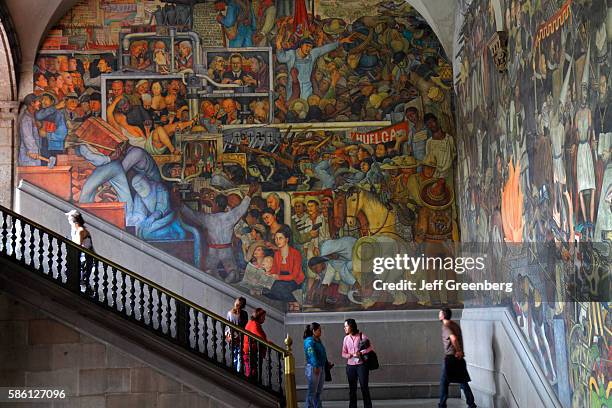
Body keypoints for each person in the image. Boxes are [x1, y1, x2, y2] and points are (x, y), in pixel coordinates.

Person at [438, 308, 477, 408]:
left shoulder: (446, 326)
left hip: (451, 358)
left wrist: (459, 350)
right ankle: (471, 404)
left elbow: (453, 338)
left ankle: (442, 405)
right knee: (463, 382)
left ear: (443, 316)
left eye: (440, 313)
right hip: (458, 359)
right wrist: (460, 352)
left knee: (444, 382)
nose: (439, 315)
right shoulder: (454, 325)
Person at [341, 318, 373, 408]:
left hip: (362, 365)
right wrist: (349, 355)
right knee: (352, 389)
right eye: (344, 327)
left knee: (364, 387)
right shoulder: (346, 338)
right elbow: (343, 353)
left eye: (346, 326)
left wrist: (361, 353)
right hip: (350, 367)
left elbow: (370, 348)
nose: (345, 328)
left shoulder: (362, 336)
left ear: (351, 326)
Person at [65, 210, 94, 290]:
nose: (69, 221)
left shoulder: (81, 231)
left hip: (85, 258)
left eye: (69, 220)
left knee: (82, 279)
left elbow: (78, 245)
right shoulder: (76, 230)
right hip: (82, 257)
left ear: (74, 221)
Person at [303, 322, 327, 408]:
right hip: (313, 368)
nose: (321, 332)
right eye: (319, 330)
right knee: (312, 391)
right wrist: (316, 366)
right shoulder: (309, 342)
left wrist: (326, 363)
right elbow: (311, 354)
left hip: (321, 366)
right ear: (313, 331)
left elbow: (322, 353)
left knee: (319, 391)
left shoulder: (317, 340)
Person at [243, 307, 267, 379]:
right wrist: (269, 343)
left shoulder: (254, 323)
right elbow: (259, 336)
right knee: (251, 372)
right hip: (250, 352)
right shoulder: (254, 324)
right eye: (263, 317)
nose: (264, 319)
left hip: (251, 352)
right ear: (258, 316)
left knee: (252, 371)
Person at [226, 297, 248, 372]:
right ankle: (238, 371)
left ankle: (234, 370)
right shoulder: (244, 314)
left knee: (234, 355)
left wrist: (233, 335)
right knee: (239, 356)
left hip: (232, 337)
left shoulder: (229, 313)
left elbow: (228, 325)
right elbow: (245, 327)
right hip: (240, 337)